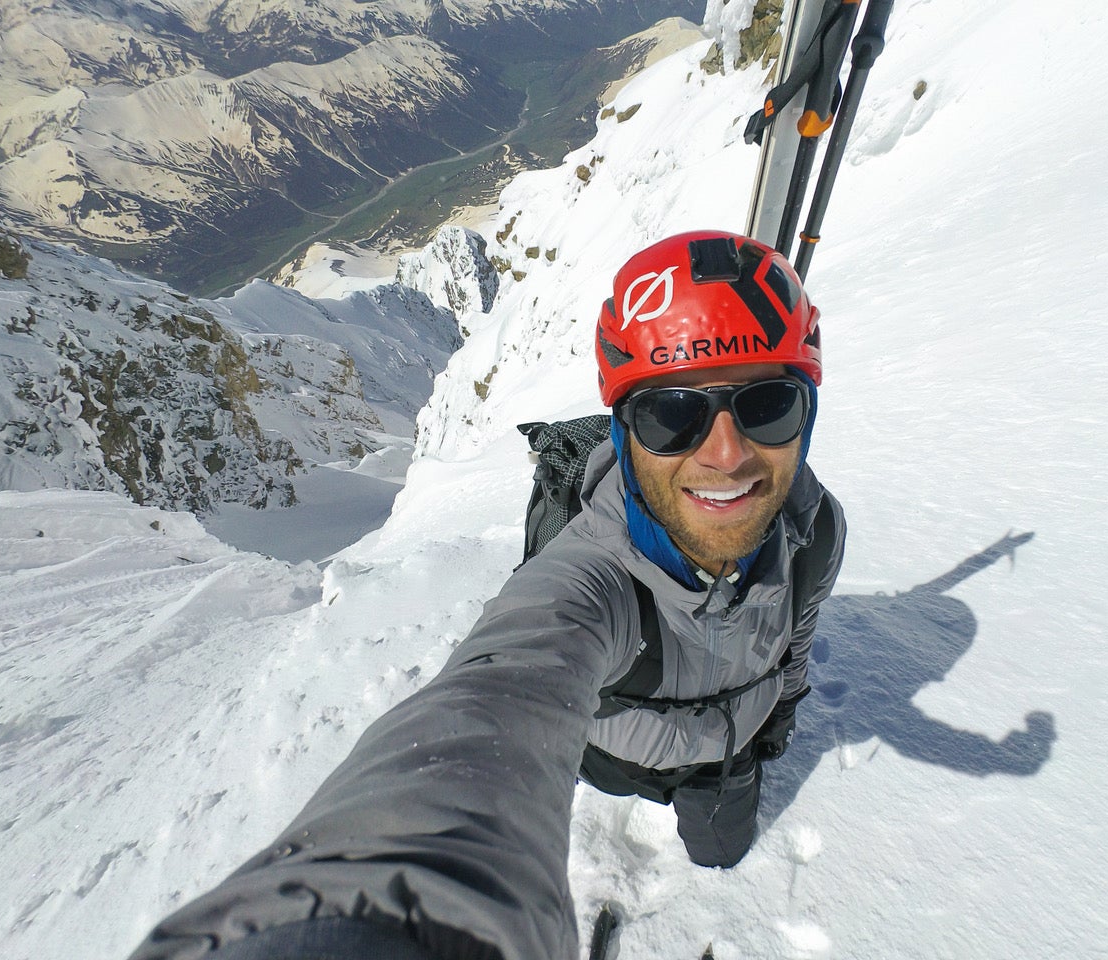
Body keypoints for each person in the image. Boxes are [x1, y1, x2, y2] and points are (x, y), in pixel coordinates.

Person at [128, 230, 846, 960]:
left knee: (721, 857)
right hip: (614, 756)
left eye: (769, 405)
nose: (725, 454)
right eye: (672, 415)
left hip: (729, 761)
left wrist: (776, 717)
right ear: (626, 431)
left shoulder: (813, 533)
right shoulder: (592, 581)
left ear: (807, 414)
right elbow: (498, 695)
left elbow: (797, 637)